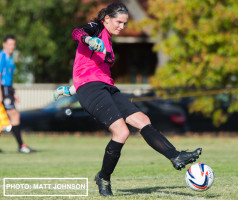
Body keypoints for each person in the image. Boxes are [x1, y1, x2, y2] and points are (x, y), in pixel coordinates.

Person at [65, 2, 201, 196]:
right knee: (121, 132)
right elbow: (76, 32)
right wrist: (88, 40)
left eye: (125, 23)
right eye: (119, 22)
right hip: (92, 89)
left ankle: (175, 156)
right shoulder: (96, 28)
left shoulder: (109, 42)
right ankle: (103, 178)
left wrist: (71, 88)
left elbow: (93, 67)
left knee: (143, 121)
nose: (122, 26)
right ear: (107, 19)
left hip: (107, 87)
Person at [0, 34, 36, 153]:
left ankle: (21, 145)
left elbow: (8, 77)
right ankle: (21, 145)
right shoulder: (2, 56)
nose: (12, 47)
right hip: (3, 88)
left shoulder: (10, 58)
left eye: (13, 44)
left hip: (8, 88)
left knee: (10, 116)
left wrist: (13, 93)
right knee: (14, 115)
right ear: (4, 44)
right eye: (10, 44)